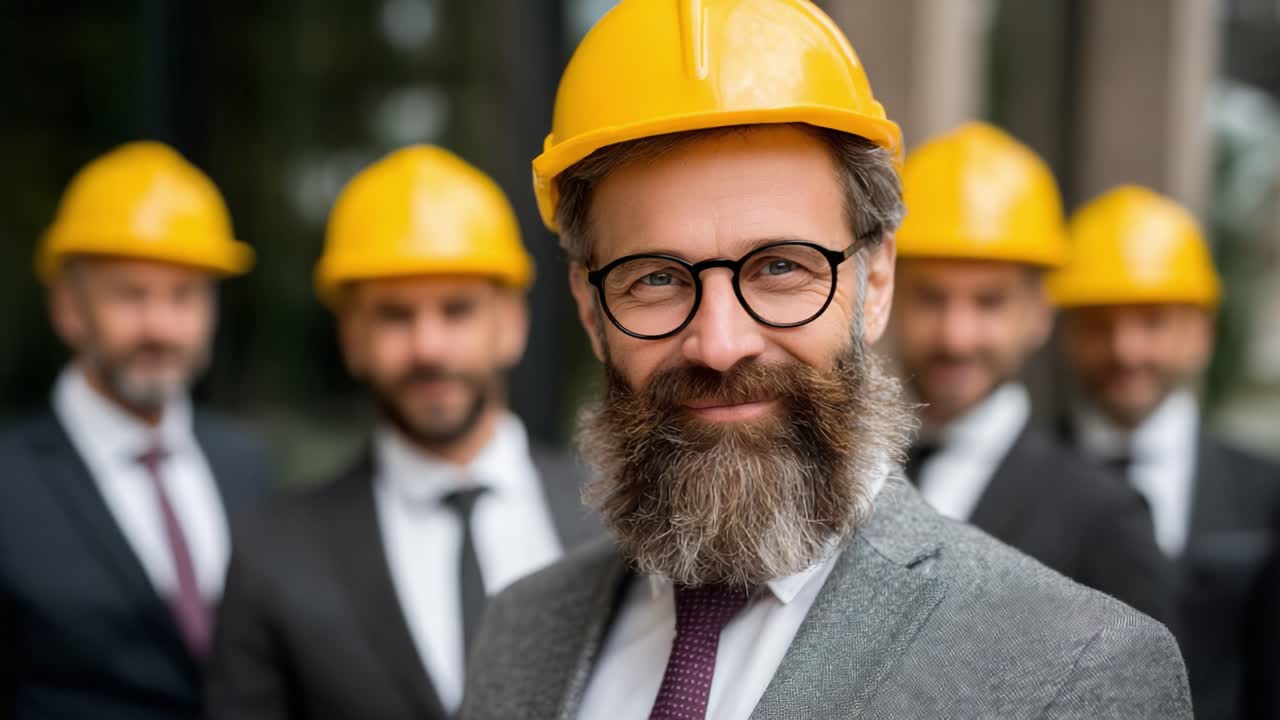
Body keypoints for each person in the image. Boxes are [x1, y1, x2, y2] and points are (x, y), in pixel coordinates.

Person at [460, 2, 1191, 718]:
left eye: (780, 267)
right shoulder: (521, 631)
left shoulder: (1074, 670)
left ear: (874, 285)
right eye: (655, 278)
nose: (719, 345)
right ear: (590, 312)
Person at [205, 145, 601, 720]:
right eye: (395, 315)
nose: (428, 348)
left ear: (512, 325)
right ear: (350, 338)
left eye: (456, 310)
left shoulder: (619, 518)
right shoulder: (270, 554)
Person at [0, 141, 271, 720]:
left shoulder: (246, 464)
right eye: (131, 295)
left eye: (184, 295)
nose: (160, 326)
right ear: (69, 308)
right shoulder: (8, 481)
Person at [886, 122, 1175, 623]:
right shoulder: (837, 476)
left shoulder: (1105, 516)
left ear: (1039, 313)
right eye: (930, 298)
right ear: (883, 294)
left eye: (989, 302)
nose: (956, 336)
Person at [1050, 185, 1280, 720]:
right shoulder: (1019, 482)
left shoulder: (1268, 493)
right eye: (1101, 323)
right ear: (1065, 332)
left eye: (1153, 321)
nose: (1127, 349)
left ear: (1203, 332)